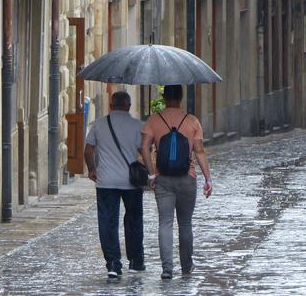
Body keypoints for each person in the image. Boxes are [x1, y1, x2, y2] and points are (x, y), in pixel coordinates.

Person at [141, 84, 213, 280]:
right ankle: (187, 267)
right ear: (181, 98)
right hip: (187, 178)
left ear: (164, 98)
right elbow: (199, 151)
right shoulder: (192, 121)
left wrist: (150, 173)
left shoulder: (154, 120)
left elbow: (144, 147)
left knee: (165, 223)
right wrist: (208, 178)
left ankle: (167, 269)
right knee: (185, 224)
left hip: (163, 178)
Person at [84, 91, 146, 278]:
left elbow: (88, 150)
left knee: (108, 222)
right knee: (134, 220)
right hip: (131, 181)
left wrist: (92, 169)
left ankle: (113, 264)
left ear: (111, 106)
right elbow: (144, 150)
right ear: (128, 106)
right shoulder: (138, 125)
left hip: (106, 181)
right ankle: (135, 261)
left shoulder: (99, 124)